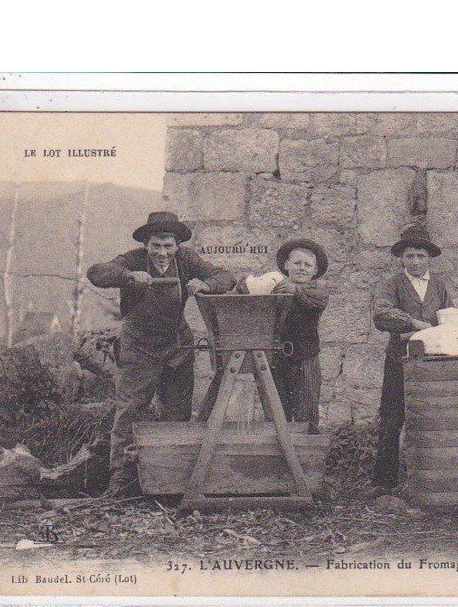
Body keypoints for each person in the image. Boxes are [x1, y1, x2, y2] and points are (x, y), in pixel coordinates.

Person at [87, 211, 236, 498]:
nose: (162, 253)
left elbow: (224, 276)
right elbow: (97, 273)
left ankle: (172, 481)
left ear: (177, 245)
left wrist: (206, 285)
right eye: (156, 246)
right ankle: (122, 482)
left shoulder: (188, 260)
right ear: (146, 244)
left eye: (168, 246)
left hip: (177, 345)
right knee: (130, 410)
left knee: (178, 412)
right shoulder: (131, 261)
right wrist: (129, 277)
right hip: (138, 347)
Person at [371, 224, 453, 495]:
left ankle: (430, 481)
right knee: (392, 420)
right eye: (410, 256)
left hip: (430, 364)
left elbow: (449, 317)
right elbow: (381, 315)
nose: (415, 261)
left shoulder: (439, 287)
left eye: (420, 256)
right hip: (399, 361)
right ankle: (384, 484)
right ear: (401, 259)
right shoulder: (391, 285)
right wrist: (413, 323)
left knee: (431, 420)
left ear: (429, 258)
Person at [237, 238, 329, 433]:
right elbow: (248, 289)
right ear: (286, 265)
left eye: (307, 265)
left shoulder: (316, 290)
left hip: (304, 361)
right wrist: (248, 284)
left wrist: (294, 290)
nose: (302, 268)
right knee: (276, 416)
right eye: (297, 263)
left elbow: (317, 301)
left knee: (306, 416)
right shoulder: (276, 286)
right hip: (275, 361)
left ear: (314, 270)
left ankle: (307, 457)